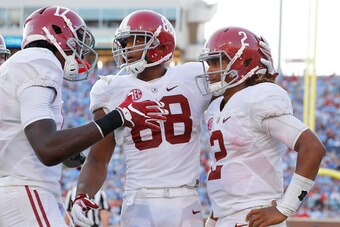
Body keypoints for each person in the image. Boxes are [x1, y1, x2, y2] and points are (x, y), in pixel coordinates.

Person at [0, 6, 167, 227]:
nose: (80, 48)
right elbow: (47, 148)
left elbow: (29, 138)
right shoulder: (40, 60)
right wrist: (119, 116)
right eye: (77, 38)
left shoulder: (15, 67)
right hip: (25, 191)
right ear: (57, 33)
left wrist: (73, 157)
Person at [71, 10, 212, 227]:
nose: (127, 48)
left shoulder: (193, 77)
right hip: (139, 198)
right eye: (125, 42)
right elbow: (99, 158)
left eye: (136, 41)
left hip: (185, 197)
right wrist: (82, 194)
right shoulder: (111, 88)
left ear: (161, 45)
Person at [197, 27, 326, 227]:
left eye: (217, 62)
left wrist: (285, 208)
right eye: (209, 63)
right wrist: (214, 217)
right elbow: (230, 166)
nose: (211, 70)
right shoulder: (215, 108)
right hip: (227, 215)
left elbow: (312, 147)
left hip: (252, 216)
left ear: (245, 62)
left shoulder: (256, 99)